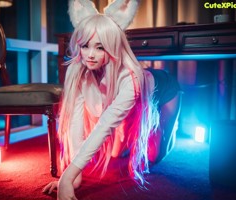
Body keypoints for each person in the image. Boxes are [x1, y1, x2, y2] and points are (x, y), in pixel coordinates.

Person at [43, 1, 181, 199]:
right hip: (125, 98)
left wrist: (67, 177)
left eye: (100, 47)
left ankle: (168, 127)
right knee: (116, 153)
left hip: (164, 89)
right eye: (85, 46)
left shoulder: (130, 78)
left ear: (112, 46)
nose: (90, 54)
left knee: (154, 157)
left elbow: (105, 125)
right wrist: (72, 178)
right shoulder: (77, 69)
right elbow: (75, 124)